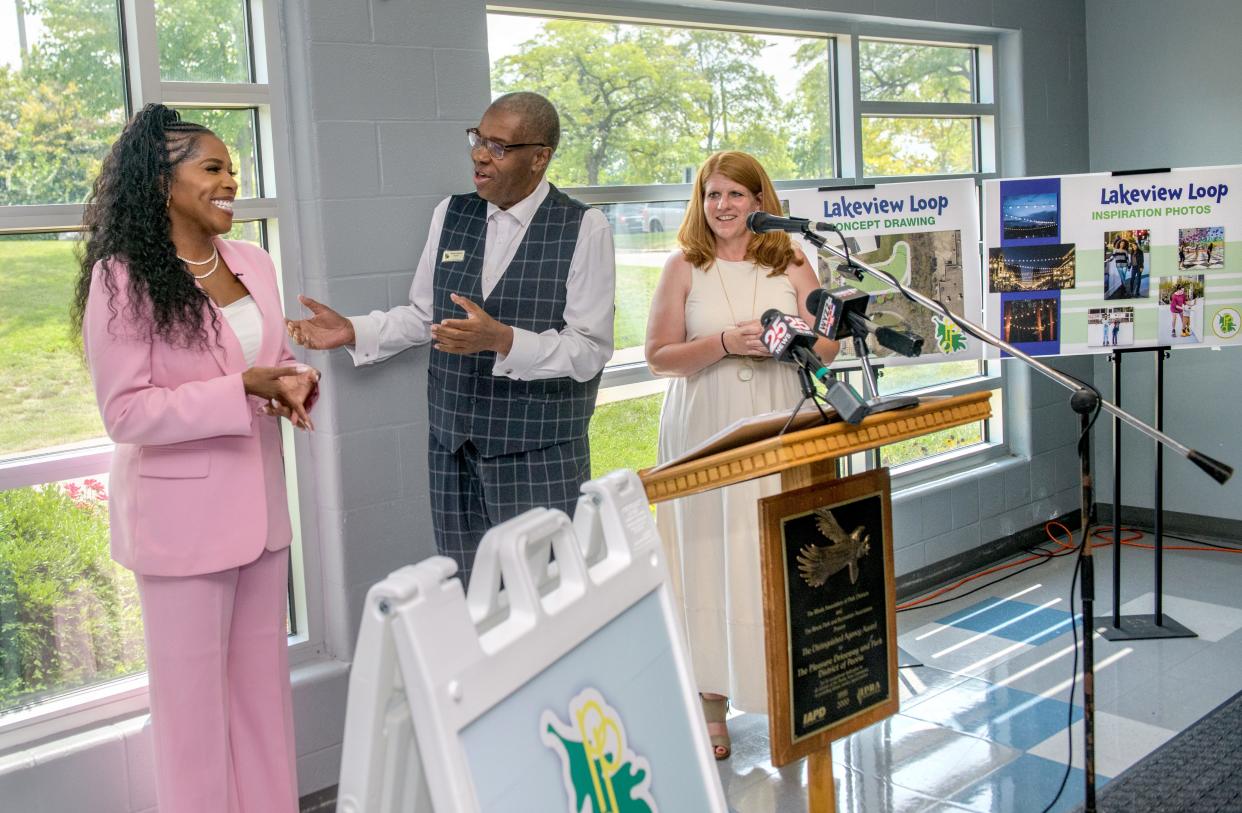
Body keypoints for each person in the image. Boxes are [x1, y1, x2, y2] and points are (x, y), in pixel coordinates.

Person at [72, 104, 319, 812]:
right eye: (212, 169)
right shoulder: (123, 279)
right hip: (181, 530)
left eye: (232, 170)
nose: (229, 182)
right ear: (162, 182)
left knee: (263, 700)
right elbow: (125, 412)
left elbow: (269, 361)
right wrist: (238, 388)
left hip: (262, 522)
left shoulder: (255, 262)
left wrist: (293, 384)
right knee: (191, 719)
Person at [285, 92, 615, 584]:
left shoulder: (583, 227)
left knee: (546, 595)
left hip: (539, 452)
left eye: (499, 147)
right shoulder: (451, 214)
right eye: (478, 140)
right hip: (453, 447)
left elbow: (590, 348)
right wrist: (356, 329)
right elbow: (424, 314)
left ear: (540, 157)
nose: (480, 155)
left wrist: (505, 340)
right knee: (471, 590)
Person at [646, 151, 838, 760]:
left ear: (761, 201)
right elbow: (658, 356)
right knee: (704, 550)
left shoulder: (792, 257)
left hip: (781, 418)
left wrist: (790, 344)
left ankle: (784, 689)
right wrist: (726, 342)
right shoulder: (684, 266)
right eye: (712, 195)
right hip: (704, 424)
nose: (723, 206)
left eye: (735, 194)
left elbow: (829, 344)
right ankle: (710, 702)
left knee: (772, 551)